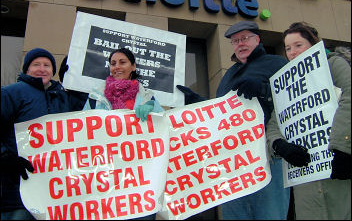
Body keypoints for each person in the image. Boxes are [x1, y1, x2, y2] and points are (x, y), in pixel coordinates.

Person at [178, 21, 309, 219]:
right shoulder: (228, 75)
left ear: (257, 39)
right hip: (232, 162)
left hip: (267, 156)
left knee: (270, 214)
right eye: (235, 41)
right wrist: (197, 102)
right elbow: (221, 114)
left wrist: (263, 91)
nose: (240, 43)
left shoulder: (276, 63)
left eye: (245, 38)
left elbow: (294, 100)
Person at [267, 22, 351, 220]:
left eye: (298, 45)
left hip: (339, 168)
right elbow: (274, 124)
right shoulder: (285, 83)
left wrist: (342, 146)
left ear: (313, 44)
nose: (292, 52)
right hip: (306, 181)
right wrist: (281, 146)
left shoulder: (333, 64)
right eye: (288, 48)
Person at [83, 47, 164, 220]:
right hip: (106, 176)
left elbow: (164, 128)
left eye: (122, 62)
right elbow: (82, 131)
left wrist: (154, 112)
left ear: (133, 66)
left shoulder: (148, 97)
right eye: (113, 63)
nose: (117, 67)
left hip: (140, 177)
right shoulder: (94, 98)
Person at [1, 48, 71, 220]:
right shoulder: (11, 92)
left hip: (52, 191)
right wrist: (6, 158)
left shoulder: (61, 96)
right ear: (26, 69)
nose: (42, 69)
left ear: (53, 71)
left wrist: (74, 73)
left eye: (47, 65)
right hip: (17, 187)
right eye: (36, 64)